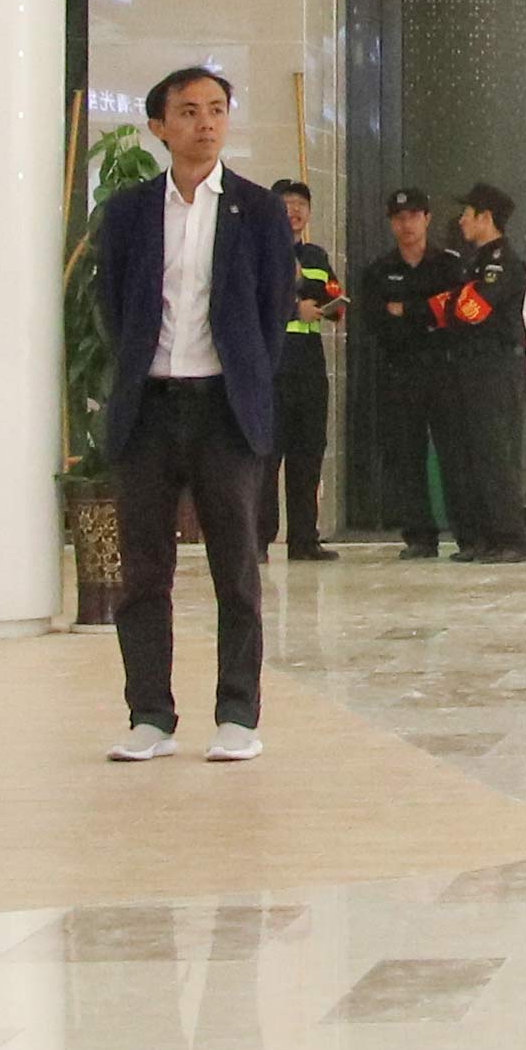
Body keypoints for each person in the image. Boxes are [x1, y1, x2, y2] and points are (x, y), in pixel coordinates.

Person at [85, 66, 294, 763]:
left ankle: (237, 714)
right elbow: (114, 306)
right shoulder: (129, 211)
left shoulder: (257, 210)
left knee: (236, 567)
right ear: (159, 126)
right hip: (148, 406)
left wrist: (246, 378)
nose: (206, 123)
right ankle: (150, 715)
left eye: (217, 110)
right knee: (144, 570)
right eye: (189, 111)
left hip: (224, 408)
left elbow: (273, 310)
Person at [433, 186, 526, 561]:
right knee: (469, 453)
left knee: (495, 454)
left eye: (467, 213)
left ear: (485, 217)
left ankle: (511, 539)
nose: (461, 221)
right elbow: (443, 309)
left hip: (493, 366)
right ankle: (480, 537)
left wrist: (452, 305)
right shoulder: (472, 263)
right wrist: (451, 305)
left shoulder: (502, 263)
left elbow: (470, 310)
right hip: (465, 366)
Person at [352, 187, 449, 553]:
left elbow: (453, 315)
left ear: (427, 218)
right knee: (405, 456)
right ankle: (419, 536)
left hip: (444, 370)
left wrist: (407, 311)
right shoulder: (379, 272)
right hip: (399, 372)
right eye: (399, 218)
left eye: (414, 216)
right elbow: (376, 322)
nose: (407, 225)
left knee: (455, 453)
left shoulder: (448, 266)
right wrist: (426, 313)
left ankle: (469, 533)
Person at [272, 179, 343, 561]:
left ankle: (304, 539)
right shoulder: (260, 251)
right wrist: (292, 308)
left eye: (301, 204)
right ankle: (259, 539)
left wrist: (333, 305)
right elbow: (253, 300)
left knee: (308, 453)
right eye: (286, 204)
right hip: (273, 365)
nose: (295, 211)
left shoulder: (315, 256)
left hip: (309, 366)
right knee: (267, 456)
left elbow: (332, 295)